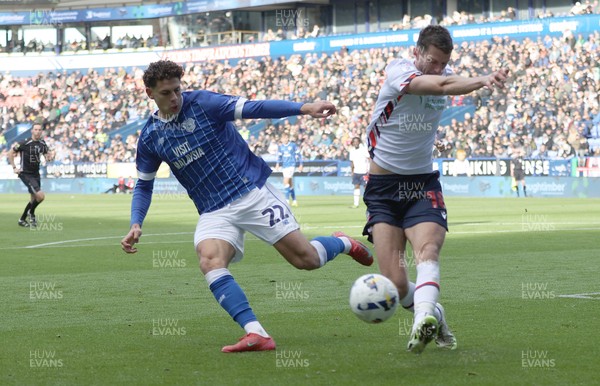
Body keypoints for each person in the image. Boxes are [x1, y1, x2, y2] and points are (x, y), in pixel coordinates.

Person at [120, 60, 373, 353]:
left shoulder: (204, 104)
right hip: (214, 209)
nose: (175, 98)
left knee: (306, 260)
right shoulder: (151, 137)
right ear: (150, 93)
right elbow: (143, 184)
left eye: (177, 89)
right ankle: (257, 333)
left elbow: (255, 108)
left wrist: (304, 107)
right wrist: (136, 222)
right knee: (209, 260)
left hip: (252, 192)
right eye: (166, 93)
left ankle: (342, 243)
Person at [363, 25, 508, 354]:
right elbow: (440, 85)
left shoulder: (447, 74)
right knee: (396, 286)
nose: (439, 68)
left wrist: (480, 83)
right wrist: (482, 79)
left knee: (427, 250)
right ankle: (435, 314)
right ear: (417, 53)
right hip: (382, 188)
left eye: (444, 63)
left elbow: (448, 81)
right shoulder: (398, 71)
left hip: (421, 183)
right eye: (433, 61)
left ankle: (422, 319)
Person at [8, 122, 52, 227]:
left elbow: (46, 154)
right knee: (40, 196)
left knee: (33, 199)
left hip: (36, 174)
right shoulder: (25, 143)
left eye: (39, 130)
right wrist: (14, 167)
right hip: (26, 174)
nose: (37, 132)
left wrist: (48, 157)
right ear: (32, 131)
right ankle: (31, 213)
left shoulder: (42, 143)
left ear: (41, 131)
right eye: (35, 129)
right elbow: (10, 153)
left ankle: (22, 220)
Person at [275, 131, 302, 206]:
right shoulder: (281, 147)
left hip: (291, 165)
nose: (284, 139)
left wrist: (301, 164)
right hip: (284, 166)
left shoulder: (293, 145)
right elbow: (280, 157)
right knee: (290, 184)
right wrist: (277, 164)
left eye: (286, 138)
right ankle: (294, 200)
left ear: (288, 138)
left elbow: (299, 155)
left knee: (285, 182)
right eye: (283, 138)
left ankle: (286, 200)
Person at [348, 136, 370, 208]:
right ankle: (356, 204)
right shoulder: (352, 151)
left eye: (357, 141)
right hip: (356, 172)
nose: (355, 143)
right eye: (354, 142)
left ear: (359, 142)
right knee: (356, 186)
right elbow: (352, 162)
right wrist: (352, 171)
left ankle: (369, 203)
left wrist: (369, 169)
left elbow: (369, 158)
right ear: (352, 143)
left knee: (366, 187)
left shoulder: (363, 150)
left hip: (364, 171)